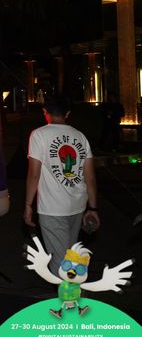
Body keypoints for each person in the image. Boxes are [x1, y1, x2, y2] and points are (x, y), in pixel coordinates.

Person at [24, 94, 100, 274]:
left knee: (60, 264)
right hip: (77, 205)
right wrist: (93, 209)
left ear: (45, 112)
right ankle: (75, 289)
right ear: (67, 114)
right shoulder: (80, 137)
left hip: (52, 208)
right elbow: (90, 178)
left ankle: (68, 292)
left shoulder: (39, 135)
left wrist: (28, 205)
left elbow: (34, 174)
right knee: (70, 257)